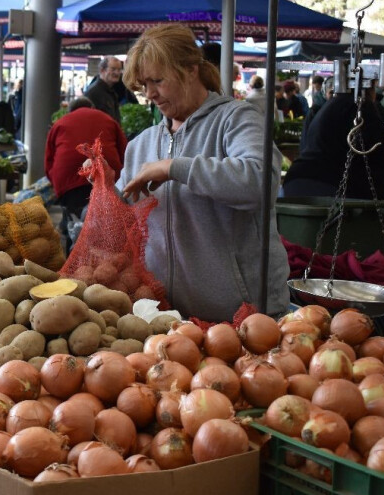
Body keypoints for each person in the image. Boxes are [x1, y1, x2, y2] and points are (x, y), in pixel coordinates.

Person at [117, 23, 289, 322]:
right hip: (167, 320)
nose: (150, 94)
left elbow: (260, 182)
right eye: (143, 85)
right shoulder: (141, 145)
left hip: (243, 319)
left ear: (191, 69)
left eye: (157, 80)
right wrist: (105, 191)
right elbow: (124, 210)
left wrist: (174, 167)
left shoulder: (237, 118)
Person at [284, 83, 384, 199]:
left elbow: (378, 131)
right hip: (324, 185)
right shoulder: (359, 105)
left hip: (301, 181)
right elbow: (383, 141)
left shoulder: (336, 104)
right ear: (371, 89)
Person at [45, 97, 127, 249]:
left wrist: (59, 187)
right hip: (106, 176)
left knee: (75, 223)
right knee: (106, 225)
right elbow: (125, 152)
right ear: (92, 107)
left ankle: (73, 260)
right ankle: (106, 259)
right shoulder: (108, 119)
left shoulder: (61, 122)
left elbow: (49, 160)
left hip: (69, 181)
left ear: (70, 110)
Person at [84, 56, 123, 122]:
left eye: (119, 70)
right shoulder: (93, 92)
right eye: (113, 69)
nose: (117, 73)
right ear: (102, 70)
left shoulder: (111, 91)